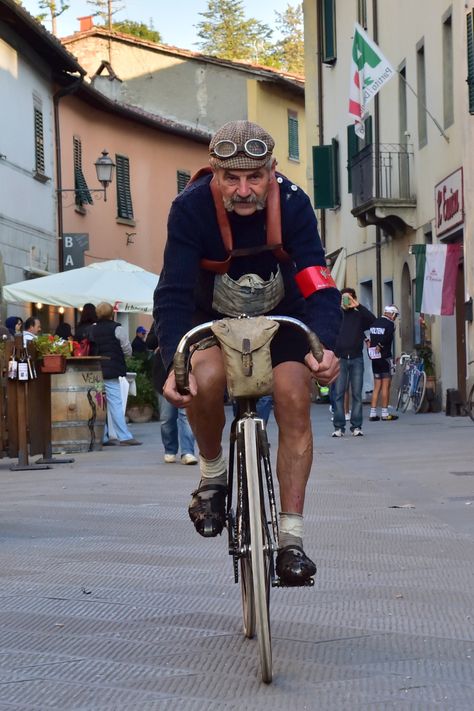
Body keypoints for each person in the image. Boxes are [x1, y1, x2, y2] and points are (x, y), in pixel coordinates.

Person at [154, 120, 341, 586]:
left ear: (271, 171)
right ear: (213, 174)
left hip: (285, 319)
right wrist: (173, 362)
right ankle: (214, 474)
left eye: (254, 177)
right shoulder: (189, 209)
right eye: (230, 178)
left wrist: (324, 344)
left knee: (294, 394)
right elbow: (173, 292)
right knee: (206, 377)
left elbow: (318, 281)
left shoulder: (295, 204)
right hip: (208, 320)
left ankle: (291, 539)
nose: (242, 190)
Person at [89, 302, 142, 446]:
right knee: (116, 404)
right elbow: (127, 350)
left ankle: (103, 436)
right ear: (112, 313)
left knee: (99, 404)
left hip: (95, 371)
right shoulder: (117, 328)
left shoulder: (92, 329)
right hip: (112, 370)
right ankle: (124, 436)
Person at [146, 329, 197, 465]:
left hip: (188, 369)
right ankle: (170, 449)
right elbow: (149, 342)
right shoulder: (160, 321)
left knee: (185, 416)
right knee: (167, 418)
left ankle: (188, 451)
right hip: (163, 373)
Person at [332, 288, 375, 438]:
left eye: (349, 298)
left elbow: (373, 321)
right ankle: (339, 427)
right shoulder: (338, 314)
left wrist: (358, 306)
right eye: (344, 298)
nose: (346, 301)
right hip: (340, 358)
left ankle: (356, 426)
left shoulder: (359, 315)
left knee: (357, 393)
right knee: (338, 393)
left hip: (356, 358)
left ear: (354, 298)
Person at [368, 305, 400, 422]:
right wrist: (381, 346)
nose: (395, 318)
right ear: (391, 314)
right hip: (385, 357)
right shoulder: (390, 325)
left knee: (377, 386)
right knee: (386, 385)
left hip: (374, 358)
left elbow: (371, 339)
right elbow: (387, 338)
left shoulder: (375, 323)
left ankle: (372, 413)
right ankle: (385, 413)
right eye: (395, 315)